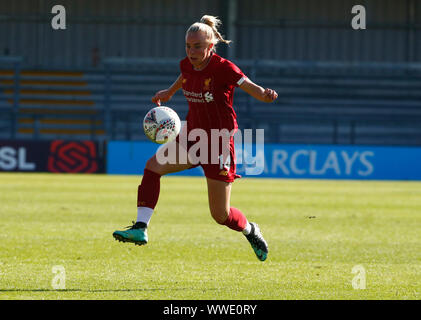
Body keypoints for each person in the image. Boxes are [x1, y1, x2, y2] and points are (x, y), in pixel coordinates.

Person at [113, 15, 278, 262]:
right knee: (152, 167)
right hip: (192, 135)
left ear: (211, 47)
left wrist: (264, 95)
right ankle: (140, 227)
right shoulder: (186, 64)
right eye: (188, 46)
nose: (191, 51)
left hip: (218, 142)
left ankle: (250, 230)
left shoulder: (225, 68)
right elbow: (185, 76)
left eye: (197, 46)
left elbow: (248, 85)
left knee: (220, 215)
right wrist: (169, 92)